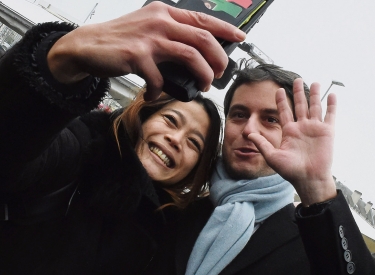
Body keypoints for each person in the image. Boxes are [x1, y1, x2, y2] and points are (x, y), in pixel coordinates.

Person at [0, 2, 246, 274]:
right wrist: (61, 60)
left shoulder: (173, 238)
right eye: (170, 120)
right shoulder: (81, 150)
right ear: (143, 118)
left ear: (195, 170)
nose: (176, 139)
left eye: (194, 143)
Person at [150, 62, 375, 275]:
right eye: (239, 115)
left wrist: (315, 186)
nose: (250, 130)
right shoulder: (174, 212)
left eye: (270, 119)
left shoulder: (314, 241)